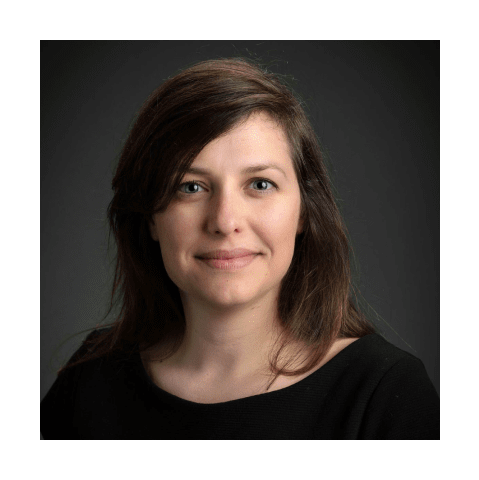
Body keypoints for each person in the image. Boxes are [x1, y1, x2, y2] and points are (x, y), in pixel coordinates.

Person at [39, 58, 439, 439]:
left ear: (304, 211)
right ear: (150, 219)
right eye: (190, 187)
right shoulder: (90, 380)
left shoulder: (386, 396)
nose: (225, 220)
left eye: (260, 184)